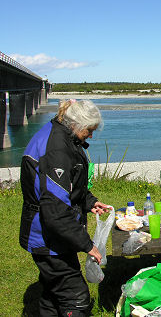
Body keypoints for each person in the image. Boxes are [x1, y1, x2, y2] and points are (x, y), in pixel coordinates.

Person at [19, 99, 111, 316]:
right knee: (75, 296)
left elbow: (66, 186)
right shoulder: (57, 148)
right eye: (89, 130)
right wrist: (87, 245)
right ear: (77, 124)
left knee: (53, 292)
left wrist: (88, 202)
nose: (91, 136)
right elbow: (55, 209)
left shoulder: (63, 134)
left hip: (51, 234)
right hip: (47, 237)